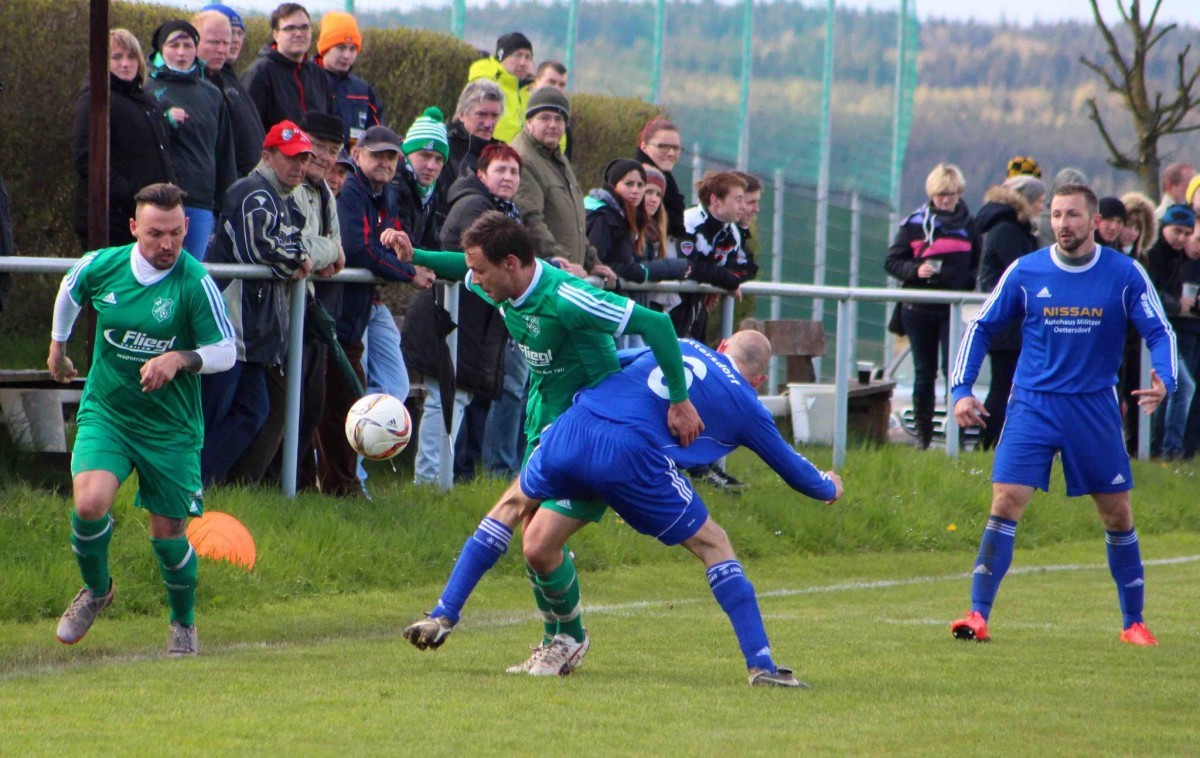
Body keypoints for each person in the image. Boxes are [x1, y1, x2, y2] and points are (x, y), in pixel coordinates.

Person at [405, 331, 842, 687]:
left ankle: (444, 613)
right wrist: (829, 485)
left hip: (578, 427)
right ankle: (761, 665)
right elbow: (797, 473)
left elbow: (610, 356)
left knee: (511, 506)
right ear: (760, 380)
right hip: (632, 457)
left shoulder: (683, 346)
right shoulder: (747, 403)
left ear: (722, 345)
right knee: (713, 543)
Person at [386, 211, 701, 676]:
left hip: (594, 429)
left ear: (511, 263)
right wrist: (417, 256)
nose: (473, 279)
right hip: (546, 424)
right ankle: (556, 640)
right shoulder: (502, 285)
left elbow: (656, 324)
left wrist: (680, 401)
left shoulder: (568, 298)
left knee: (534, 542)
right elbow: (457, 267)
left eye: (481, 269)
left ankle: (557, 637)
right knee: (535, 539)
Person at [948, 183, 1176, 647]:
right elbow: (981, 327)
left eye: (1072, 215)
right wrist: (960, 389)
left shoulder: (1125, 274)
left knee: (1116, 514)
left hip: (1093, 408)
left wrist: (1165, 380)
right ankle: (977, 614)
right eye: (1055, 215)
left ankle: (1133, 621)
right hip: (1033, 404)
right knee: (1006, 499)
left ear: (1095, 222)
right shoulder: (1026, 271)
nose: (1062, 224)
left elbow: (1160, 329)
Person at [48, 182, 236, 656]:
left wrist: (179, 359)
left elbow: (226, 351)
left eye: (175, 233)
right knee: (89, 503)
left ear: (186, 227)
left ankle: (183, 623)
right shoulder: (103, 266)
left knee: (169, 535)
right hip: (109, 411)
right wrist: (57, 345)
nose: (166, 244)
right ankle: (96, 590)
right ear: (134, 228)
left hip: (170, 429)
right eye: (155, 233)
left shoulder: (194, 282)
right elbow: (71, 289)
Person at [315, 124, 435, 496]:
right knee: (346, 397)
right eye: (377, 155)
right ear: (357, 155)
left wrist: (402, 250)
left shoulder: (388, 194)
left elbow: (389, 245)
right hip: (344, 307)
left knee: (393, 387)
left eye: (391, 156)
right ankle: (347, 482)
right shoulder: (352, 192)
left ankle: (352, 473)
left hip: (369, 301)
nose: (385, 162)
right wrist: (408, 272)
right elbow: (360, 250)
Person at [200, 120, 314, 486]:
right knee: (214, 412)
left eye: (305, 159)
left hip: (253, 335)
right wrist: (297, 260)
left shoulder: (283, 197)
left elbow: (299, 243)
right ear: (267, 156)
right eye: (291, 158)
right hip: (228, 326)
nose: (299, 166)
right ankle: (188, 483)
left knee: (254, 409)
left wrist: (297, 255)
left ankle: (203, 480)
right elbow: (260, 250)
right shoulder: (253, 192)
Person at [404, 144, 519, 484]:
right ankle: (429, 483)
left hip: (468, 321)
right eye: (501, 169)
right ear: (481, 174)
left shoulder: (506, 211)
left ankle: (440, 482)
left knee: (457, 400)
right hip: (448, 316)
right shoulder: (475, 206)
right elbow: (473, 261)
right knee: (444, 401)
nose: (509, 177)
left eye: (514, 172)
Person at [884, 163, 981, 450]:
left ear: (959, 193)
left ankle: (958, 436)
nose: (945, 200)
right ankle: (924, 439)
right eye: (940, 195)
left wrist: (966, 285)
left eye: (950, 194)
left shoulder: (968, 224)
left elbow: (977, 262)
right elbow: (892, 261)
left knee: (956, 372)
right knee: (924, 373)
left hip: (952, 309)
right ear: (931, 194)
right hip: (918, 308)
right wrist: (916, 270)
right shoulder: (914, 223)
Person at [71, 29, 176, 250]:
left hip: (148, 216)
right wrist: (129, 194)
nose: (125, 64)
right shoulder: (96, 99)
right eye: (117, 57)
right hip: (112, 219)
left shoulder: (146, 100)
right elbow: (85, 157)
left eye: (131, 57)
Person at [145, 20, 237, 260]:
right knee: (161, 266)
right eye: (174, 45)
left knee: (193, 271)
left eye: (188, 45)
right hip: (159, 200)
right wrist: (164, 122)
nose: (181, 52)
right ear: (160, 49)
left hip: (201, 200)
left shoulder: (212, 94)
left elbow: (225, 151)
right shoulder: (147, 89)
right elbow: (138, 140)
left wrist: (228, 201)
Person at [511, 87, 617, 285]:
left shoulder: (557, 157)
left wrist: (591, 262)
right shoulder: (524, 159)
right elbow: (530, 219)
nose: (553, 125)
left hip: (565, 275)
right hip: (545, 278)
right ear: (529, 122)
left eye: (559, 119)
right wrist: (562, 264)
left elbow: (575, 223)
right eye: (545, 117)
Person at [973, 174, 1046, 450]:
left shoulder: (1014, 228)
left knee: (1007, 386)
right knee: (1003, 386)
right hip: (1007, 324)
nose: (1042, 206)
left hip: (1013, 322)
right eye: (1039, 201)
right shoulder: (1007, 230)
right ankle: (987, 443)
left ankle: (997, 443)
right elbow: (1022, 273)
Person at [585, 159, 687, 298]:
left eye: (640, 185)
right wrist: (640, 271)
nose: (635, 190)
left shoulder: (627, 218)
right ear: (614, 185)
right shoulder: (603, 217)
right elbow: (598, 263)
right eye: (629, 184)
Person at [1144, 204, 1196, 460]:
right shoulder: (1152, 255)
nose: (1182, 238)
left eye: (1187, 233)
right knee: (1183, 387)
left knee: (1173, 390)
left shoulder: (1181, 258)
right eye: (1177, 231)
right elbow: (1150, 292)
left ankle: (1160, 449)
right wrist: (1177, 303)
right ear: (1164, 227)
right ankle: (1168, 449)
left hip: (1169, 333)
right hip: (1152, 336)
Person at [675, 171, 749, 344]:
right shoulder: (688, 222)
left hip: (698, 308)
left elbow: (730, 268)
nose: (743, 206)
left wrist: (721, 281)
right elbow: (687, 266)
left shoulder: (732, 232)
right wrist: (725, 279)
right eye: (738, 199)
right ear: (716, 200)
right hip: (671, 304)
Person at [194, 8, 265, 178]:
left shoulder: (230, 78)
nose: (235, 41)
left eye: (240, 33)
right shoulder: (203, 81)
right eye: (214, 41)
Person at [240, 3, 331, 129]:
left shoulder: (318, 75)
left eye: (304, 27)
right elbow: (248, 127)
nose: (299, 33)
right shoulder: (260, 73)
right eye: (290, 28)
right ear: (276, 34)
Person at [436, 79, 504, 227]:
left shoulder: (500, 154)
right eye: (481, 114)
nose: (488, 124)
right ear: (461, 114)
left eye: (494, 116)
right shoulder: (444, 149)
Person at [315, 11, 383, 146]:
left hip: (352, 165)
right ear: (325, 48)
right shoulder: (307, 81)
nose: (346, 55)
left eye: (352, 49)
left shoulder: (363, 91)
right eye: (341, 48)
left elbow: (377, 133)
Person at [467, 32, 534, 144]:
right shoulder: (486, 83)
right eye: (517, 55)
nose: (523, 63)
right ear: (501, 57)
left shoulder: (528, 92)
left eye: (528, 57)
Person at [637, 118, 687, 239]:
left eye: (676, 148)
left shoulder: (667, 180)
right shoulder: (637, 178)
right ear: (644, 146)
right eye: (663, 146)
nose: (671, 153)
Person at [528, 61, 571, 157]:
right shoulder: (523, 110)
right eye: (551, 82)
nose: (557, 88)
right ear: (535, 82)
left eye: (562, 85)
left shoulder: (564, 117)